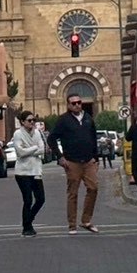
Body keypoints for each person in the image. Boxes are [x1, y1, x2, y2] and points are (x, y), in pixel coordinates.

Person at [52, 93, 100, 233]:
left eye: (79, 102)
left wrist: (95, 158)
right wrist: (60, 157)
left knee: (93, 188)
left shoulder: (88, 118)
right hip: (72, 162)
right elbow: (52, 139)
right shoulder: (63, 120)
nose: (77, 105)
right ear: (68, 105)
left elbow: (93, 138)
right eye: (73, 103)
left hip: (88, 161)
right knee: (73, 193)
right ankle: (72, 224)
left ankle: (86, 220)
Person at [12, 111, 47, 237]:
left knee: (41, 199)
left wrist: (30, 149)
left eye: (33, 120)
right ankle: (27, 228)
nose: (32, 122)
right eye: (29, 120)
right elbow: (20, 153)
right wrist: (34, 148)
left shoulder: (37, 133)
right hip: (23, 172)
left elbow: (43, 149)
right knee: (27, 200)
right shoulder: (18, 134)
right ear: (22, 122)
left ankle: (28, 220)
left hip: (36, 171)